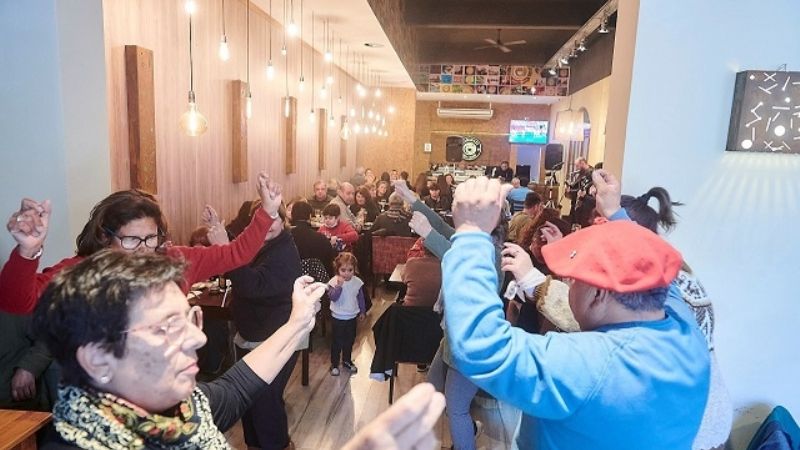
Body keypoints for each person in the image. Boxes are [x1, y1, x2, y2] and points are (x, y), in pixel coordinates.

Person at [32, 250, 445, 450]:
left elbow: (234, 388)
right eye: (166, 328)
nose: (197, 338)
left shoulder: (174, 411)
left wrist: (299, 320)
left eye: (189, 319)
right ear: (98, 358)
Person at [442, 173, 710, 450]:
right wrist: (615, 214)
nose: (567, 284)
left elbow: (479, 346)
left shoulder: (590, 367)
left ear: (598, 294)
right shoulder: (686, 330)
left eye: (572, 280)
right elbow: (658, 267)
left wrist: (471, 233)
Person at [0, 172, 281, 315]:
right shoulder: (82, 271)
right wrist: (27, 251)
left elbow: (236, 254)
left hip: (167, 391)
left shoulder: (175, 260)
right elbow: (16, 303)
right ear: (104, 237)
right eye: (132, 239)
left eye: (151, 237)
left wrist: (267, 212)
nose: (146, 248)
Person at [621, 187, 732, 450]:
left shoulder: (658, 279)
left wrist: (533, 283)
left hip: (691, 420)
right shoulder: (674, 265)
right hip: (706, 408)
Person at [226, 202, 301, 450]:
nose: (268, 224)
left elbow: (254, 287)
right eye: (262, 219)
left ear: (284, 221)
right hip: (256, 334)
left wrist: (227, 254)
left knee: (265, 401)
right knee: (251, 398)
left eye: (274, 218)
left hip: (273, 335)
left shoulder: (284, 251)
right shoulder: (261, 245)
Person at [327, 252, 367, 376]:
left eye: (350, 270)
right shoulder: (334, 281)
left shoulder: (357, 282)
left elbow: (360, 297)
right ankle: (334, 363)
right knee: (337, 341)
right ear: (337, 269)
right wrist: (339, 287)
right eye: (343, 270)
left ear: (354, 269)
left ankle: (347, 360)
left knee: (349, 340)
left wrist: (362, 310)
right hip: (338, 317)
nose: (347, 273)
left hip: (351, 317)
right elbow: (333, 297)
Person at [290, 201, 336, 276]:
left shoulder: (285, 238)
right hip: (318, 282)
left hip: (292, 281)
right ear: (310, 216)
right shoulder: (321, 239)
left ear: (292, 216)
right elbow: (329, 265)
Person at [567, 157, 593, 224]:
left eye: (577, 166)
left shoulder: (590, 173)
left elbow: (584, 189)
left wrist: (571, 191)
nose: (577, 168)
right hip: (577, 201)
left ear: (582, 163)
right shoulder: (582, 173)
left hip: (583, 203)